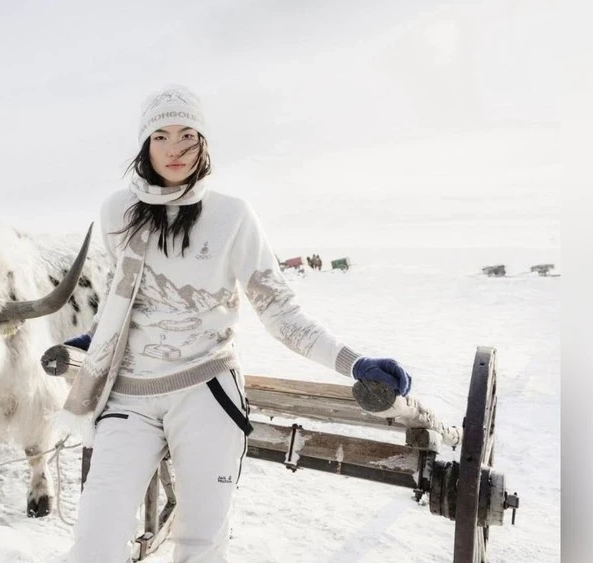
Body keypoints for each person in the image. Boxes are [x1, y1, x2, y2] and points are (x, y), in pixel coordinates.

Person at [58, 85, 412, 563]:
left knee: (201, 547)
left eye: (187, 134)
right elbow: (122, 294)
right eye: (161, 136)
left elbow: (280, 311)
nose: (175, 148)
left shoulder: (232, 216)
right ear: (145, 145)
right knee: (93, 545)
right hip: (129, 396)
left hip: (206, 392)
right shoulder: (116, 211)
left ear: (203, 142)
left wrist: (354, 363)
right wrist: (96, 336)